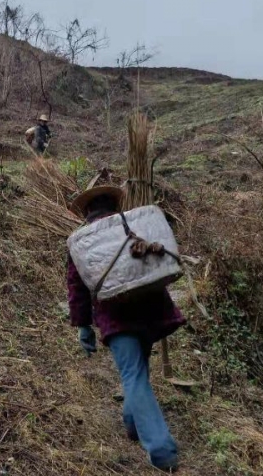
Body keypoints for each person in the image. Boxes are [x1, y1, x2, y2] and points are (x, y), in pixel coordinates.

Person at [67, 184, 185, 473]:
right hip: (152, 310)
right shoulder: (134, 225)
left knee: (133, 375)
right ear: (114, 205)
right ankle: (133, 425)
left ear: (87, 211)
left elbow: (77, 289)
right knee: (138, 371)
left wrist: (83, 325)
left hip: (117, 318)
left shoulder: (83, 241)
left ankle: (161, 450)